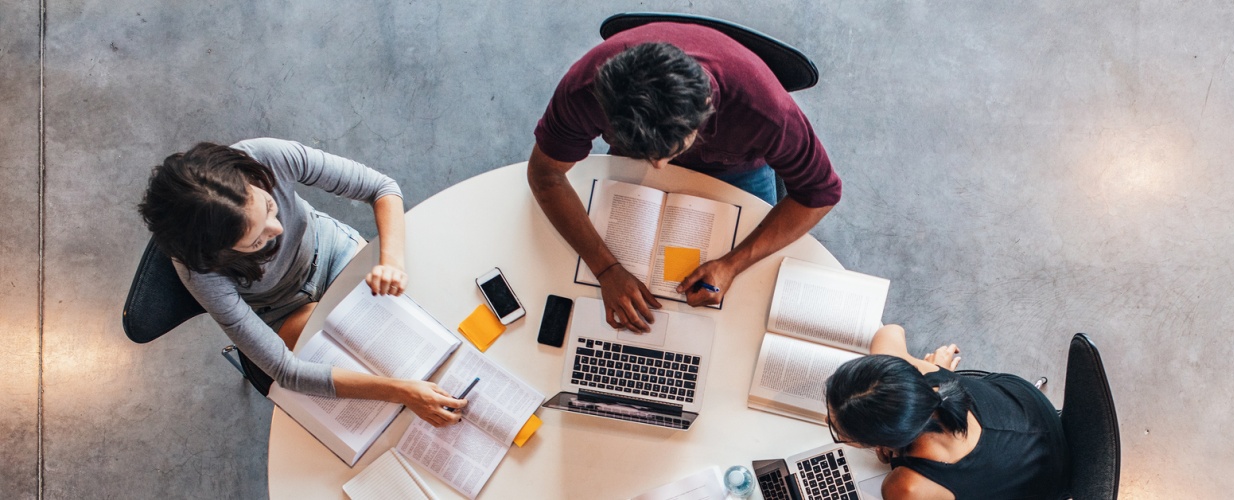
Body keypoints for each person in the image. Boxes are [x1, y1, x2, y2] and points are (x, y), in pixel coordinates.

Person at [529, 22, 842, 332]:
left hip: (739, 169)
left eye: (671, 150)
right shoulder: (585, 88)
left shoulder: (766, 112)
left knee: (745, 300)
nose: (659, 168)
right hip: (642, 164)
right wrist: (606, 268)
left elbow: (820, 194)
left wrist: (733, 264)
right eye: (648, 154)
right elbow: (546, 174)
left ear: (706, 107)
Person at [136, 138, 465, 427]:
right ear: (217, 254)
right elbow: (286, 370)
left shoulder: (265, 155)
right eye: (256, 240)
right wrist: (400, 392)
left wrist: (391, 261)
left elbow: (381, 188)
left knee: (418, 325)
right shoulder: (199, 270)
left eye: (268, 206)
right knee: (366, 376)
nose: (277, 229)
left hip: (334, 252)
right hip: (279, 309)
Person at [824, 325, 1070, 500]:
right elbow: (890, 332)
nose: (826, 420)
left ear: (880, 442)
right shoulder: (922, 379)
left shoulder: (907, 488)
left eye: (838, 432)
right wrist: (938, 369)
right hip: (1030, 410)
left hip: (1044, 483)